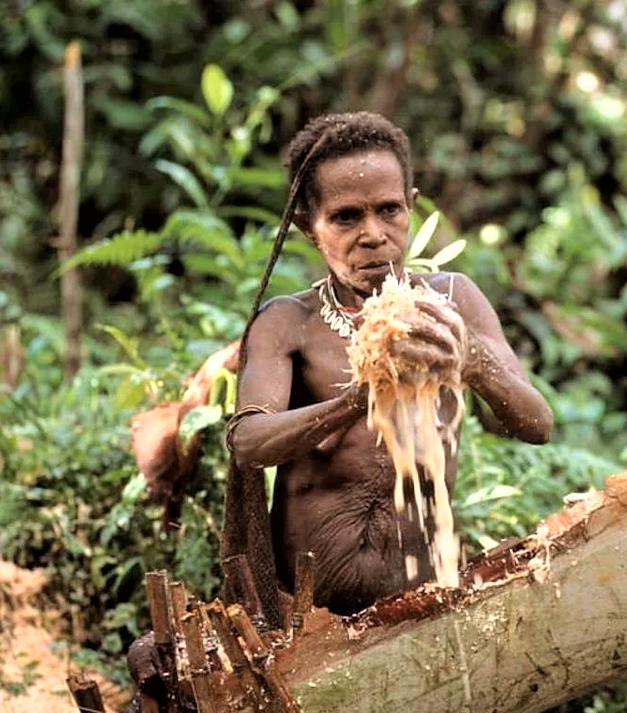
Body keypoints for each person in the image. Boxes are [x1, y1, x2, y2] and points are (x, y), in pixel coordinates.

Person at [222, 111, 553, 621]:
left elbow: (537, 424)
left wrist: (471, 360)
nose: (373, 233)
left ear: (411, 207)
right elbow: (248, 442)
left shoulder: (453, 301)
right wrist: (357, 399)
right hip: (310, 613)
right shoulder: (290, 322)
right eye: (346, 217)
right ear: (310, 228)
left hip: (422, 605)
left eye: (389, 210)